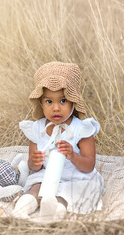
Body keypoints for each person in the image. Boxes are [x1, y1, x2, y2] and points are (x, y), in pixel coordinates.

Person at [12, 61, 104, 221]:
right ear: (41, 103)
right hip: (48, 176)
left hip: (76, 176)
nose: (56, 108)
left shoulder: (81, 129)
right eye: (49, 101)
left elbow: (89, 166)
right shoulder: (38, 129)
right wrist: (35, 161)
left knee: (74, 191)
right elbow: (34, 166)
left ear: (73, 102)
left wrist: (72, 156)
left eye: (63, 101)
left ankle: (55, 209)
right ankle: (22, 210)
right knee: (35, 186)